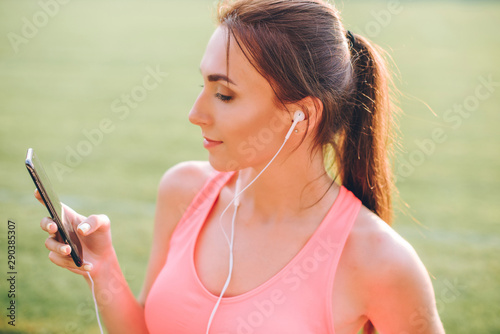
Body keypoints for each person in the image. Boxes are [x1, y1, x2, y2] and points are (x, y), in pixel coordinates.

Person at [37, 0, 445, 333]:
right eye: (204, 86)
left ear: (300, 116)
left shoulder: (381, 261)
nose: (195, 113)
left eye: (225, 95)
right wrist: (102, 267)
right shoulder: (184, 191)